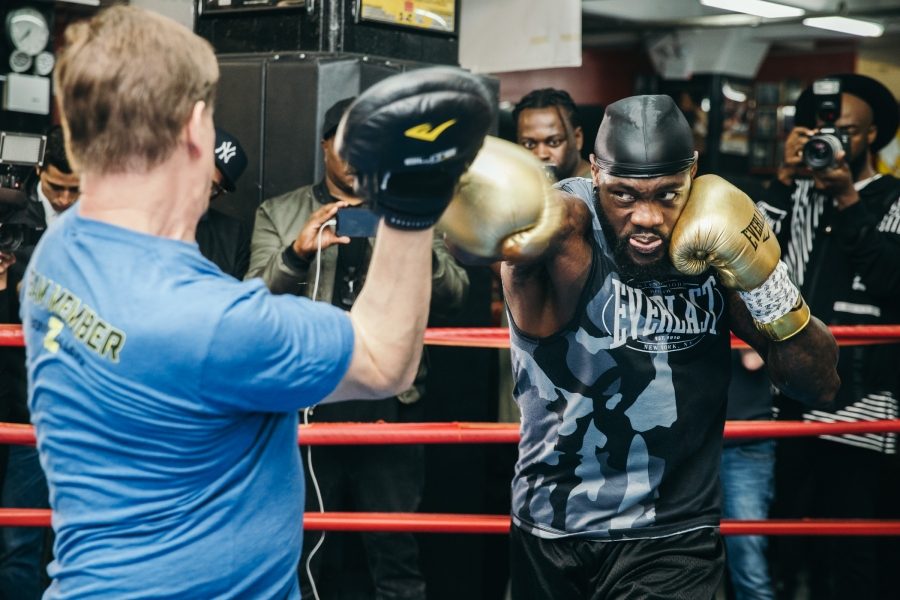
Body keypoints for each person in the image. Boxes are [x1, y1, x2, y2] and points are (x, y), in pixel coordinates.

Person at [19, 6, 493, 598]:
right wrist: (410, 203)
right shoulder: (213, 324)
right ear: (197, 129)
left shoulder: (57, 255)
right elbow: (385, 359)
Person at [440, 95, 840, 598]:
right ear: (595, 174)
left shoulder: (717, 235)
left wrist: (766, 282)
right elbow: (468, 241)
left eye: (668, 195)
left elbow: (818, 383)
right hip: (549, 527)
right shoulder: (566, 227)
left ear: (692, 173)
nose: (647, 217)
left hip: (672, 536)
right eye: (624, 196)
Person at [246, 97, 469, 599]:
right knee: (301, 545)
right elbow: (251, 299)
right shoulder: (279, 213)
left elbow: (456, 292)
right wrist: (297, 253)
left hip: (390, 404)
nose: (354, 157)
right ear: (324, 145)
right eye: (345, 144)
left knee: (395, 546)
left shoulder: (410, 214)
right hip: (306, 400)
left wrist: (403, 235)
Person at [758, 73, 900, 600]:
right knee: (784, 533)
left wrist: (846, 198)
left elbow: (891, 279)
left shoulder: (892, 198)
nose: (832, 140)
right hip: (786, 395)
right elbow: (745, 255)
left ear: (871, 137)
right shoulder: (794, 195)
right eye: (823, 129)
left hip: (861, 402)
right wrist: (780, 179)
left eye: (846, 131)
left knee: (852, 539)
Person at [0, 124, 80, 600]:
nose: (67, 199)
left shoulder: (104, 223)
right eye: (56, 187)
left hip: (74, 404)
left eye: (76, 188)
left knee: (65, 534)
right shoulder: (10, 216)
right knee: (17, 537)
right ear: (37, 172)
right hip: (20, 400)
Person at [720, 348, 776, 600]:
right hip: (695, 441)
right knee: (685, 548)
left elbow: (752, 360)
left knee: (746, 552)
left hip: (745, 440)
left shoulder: (751, 307)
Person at [196, 127, 251, 279]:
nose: (198, 187)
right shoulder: (138, 213)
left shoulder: (233, 235)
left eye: (211, 186)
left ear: (219, 194)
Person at [513, 88, 592, 180]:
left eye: (554, 142)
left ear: (577, 138)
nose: (541, 154)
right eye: (529, 144)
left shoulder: (599, 189)